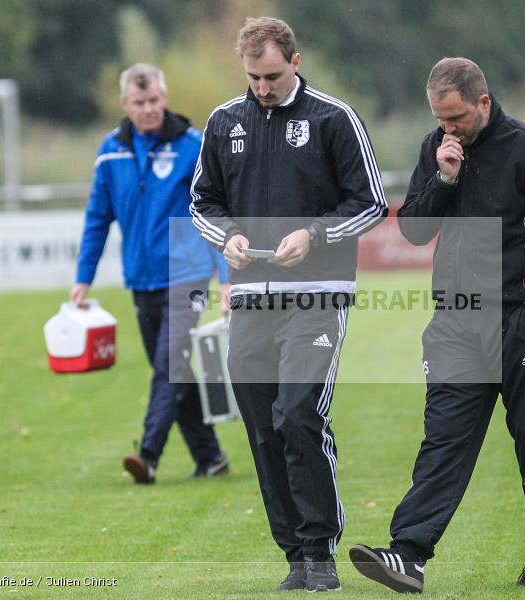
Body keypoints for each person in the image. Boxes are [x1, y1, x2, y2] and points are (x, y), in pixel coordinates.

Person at [349, 57, 525, 592]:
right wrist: (443, 176)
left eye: (456, 118)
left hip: (515, 319)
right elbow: (412, 230)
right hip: (454, 319)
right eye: (439, 119)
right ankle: (408, 554)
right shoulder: (437, 149)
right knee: (443, 441)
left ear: (483, 102)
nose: (447, 128)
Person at [190, 17, 387, 593]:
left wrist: (314, 235)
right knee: (260, 427)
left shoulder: (334, 118)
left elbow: (371, 202)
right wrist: (226, 237)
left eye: (272, 76)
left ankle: (321, 546)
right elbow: (202, 202)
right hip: (250, 297)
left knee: (298, 412)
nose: (262, 88)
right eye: (253, 78)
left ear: (295, 62)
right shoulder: (225, 122)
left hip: (318, 295)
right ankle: (295, 556)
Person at [72, 63, 231, 485]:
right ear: (126, 105)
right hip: (140, 278)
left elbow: (214, 211)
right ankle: (211, 456)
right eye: (139, 103)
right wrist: (83, 276)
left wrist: (226, 275)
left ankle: (149, 456)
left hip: (189, 273)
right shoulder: (110, 151)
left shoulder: (192, 145)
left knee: (168, 367)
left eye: (155, 100)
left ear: (165, 97)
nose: (148, 109)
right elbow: (96, 218)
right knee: (174, 369)